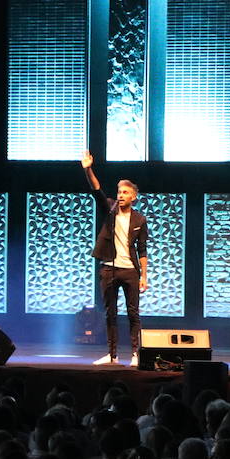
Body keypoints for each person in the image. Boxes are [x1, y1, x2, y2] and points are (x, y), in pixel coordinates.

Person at [80, 151, 148, 366]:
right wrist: (87, 168)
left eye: (125, 192)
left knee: (133, 313)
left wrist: (144, 276)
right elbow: (96, 189)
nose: (120, 195)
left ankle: (136, 354)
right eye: (119, 191)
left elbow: (143, 250)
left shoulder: (139, 219)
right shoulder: (109, 209)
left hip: (130, 270)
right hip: (108, 268)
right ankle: (112, 356)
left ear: (133, 197)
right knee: (110, 313)